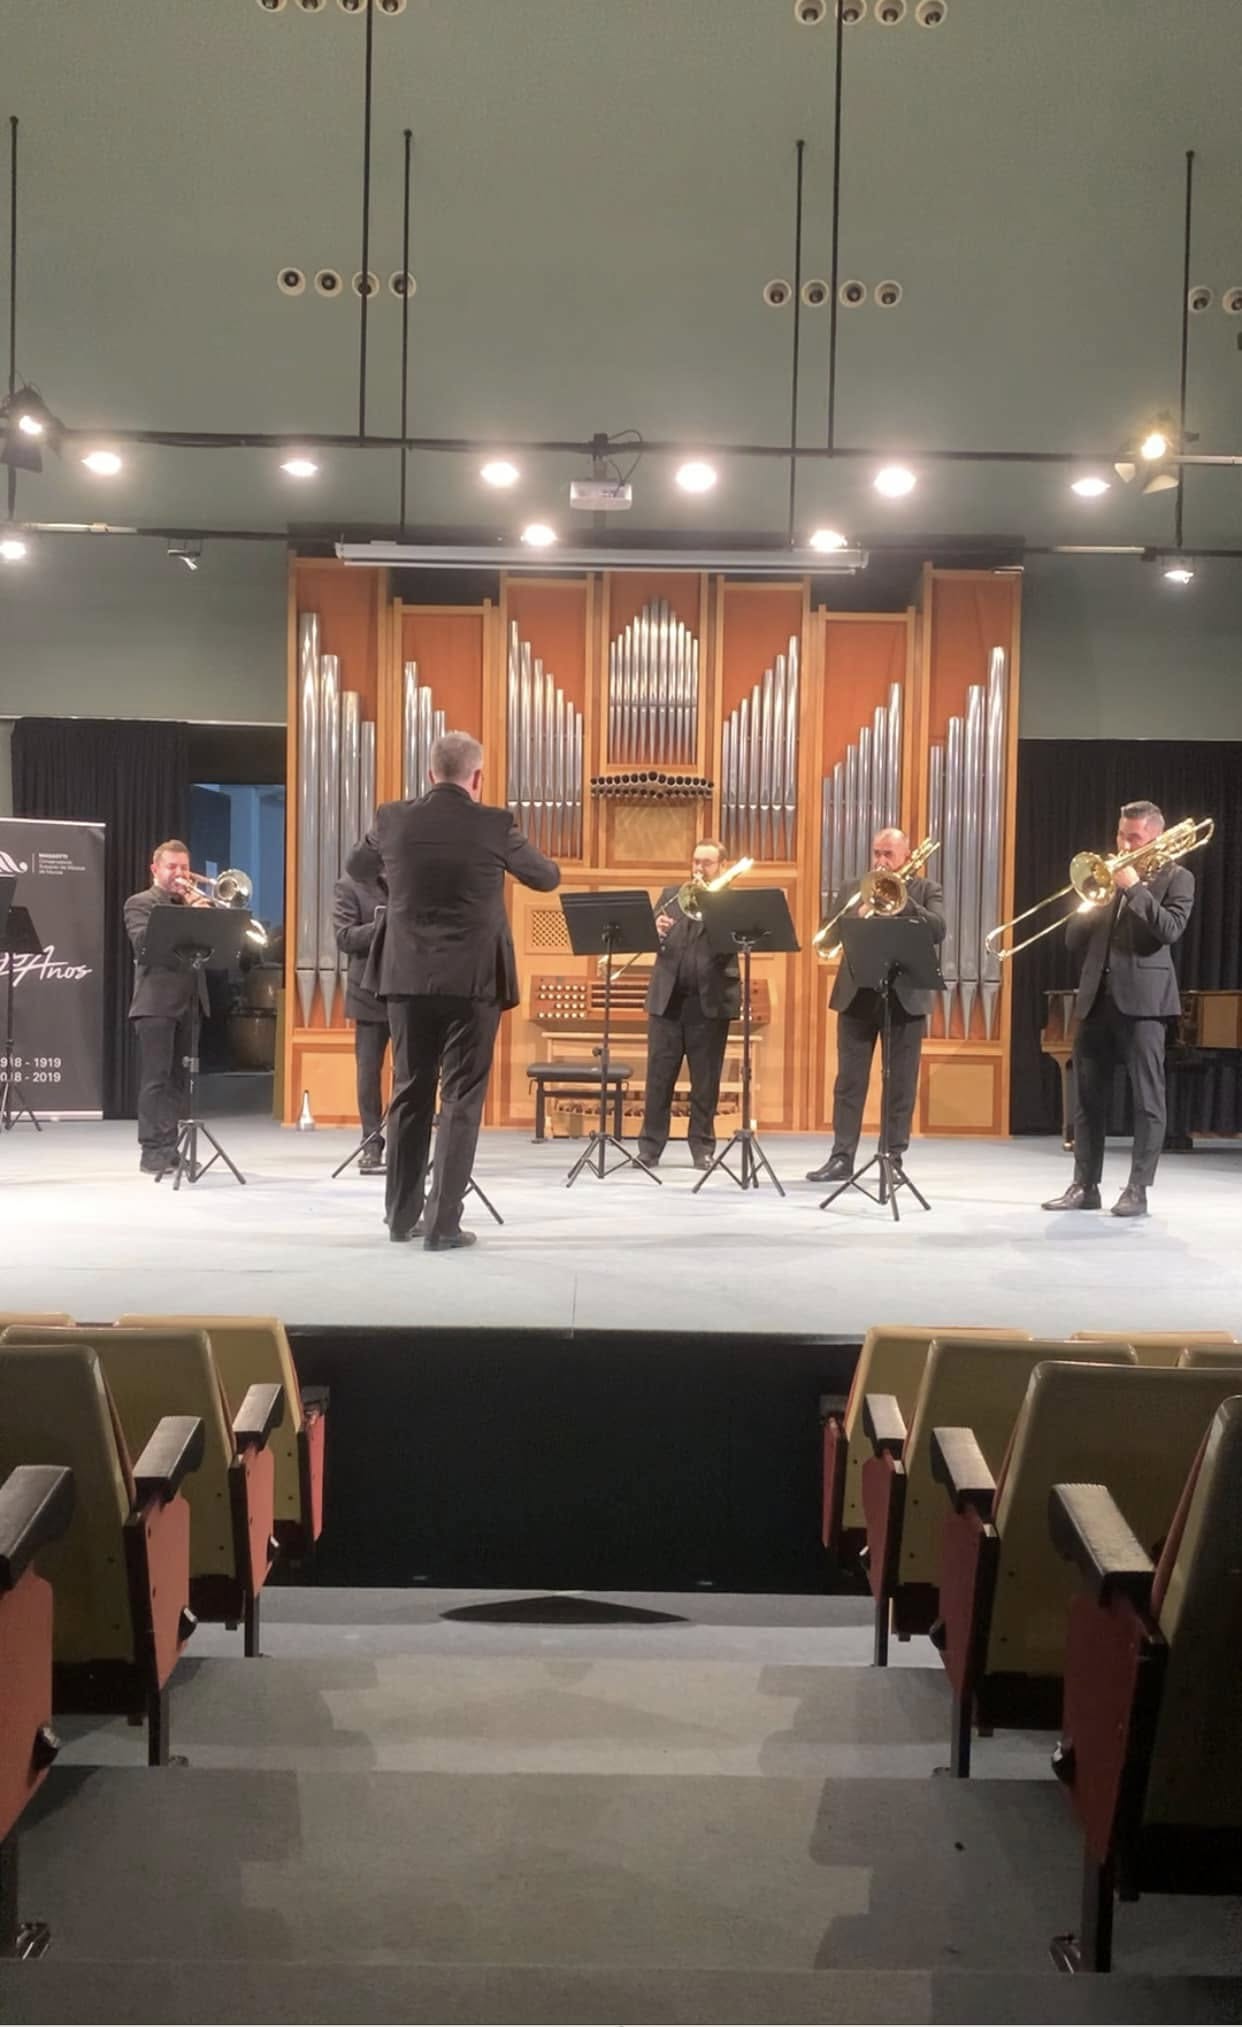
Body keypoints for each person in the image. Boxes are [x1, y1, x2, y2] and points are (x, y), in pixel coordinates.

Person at [346, 730, 560, 1250]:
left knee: (410, 1091)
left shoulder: (391, 818)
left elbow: (357, 868)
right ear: (477, 778)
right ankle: (443, 1225)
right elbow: (546, 877)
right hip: (473, 982)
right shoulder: (494, 823)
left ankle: (399, 1217)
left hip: (406, 977)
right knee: (461, 1098)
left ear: (429, 773)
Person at [1042, 800, 1194, 1219]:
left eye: (1134, 838)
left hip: (1144, 1004)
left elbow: (1168, 930)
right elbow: (1074, 940)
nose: (1124, 844)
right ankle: (1084, 1185)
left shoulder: (1178, 878)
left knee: (1148, 1101)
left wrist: (1134, 889)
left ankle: (1137, 1190)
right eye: (1120, 836)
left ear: (1156, 839)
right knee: (1087, 1100)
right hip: (1095, 1000)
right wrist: (1091, 896)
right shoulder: (1105, 880)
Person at [806, 826, 945, 1184]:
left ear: (906, 857)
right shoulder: (854, 889)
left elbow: (938, 930)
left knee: (899, 1085)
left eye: (889, 855)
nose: (881, 862)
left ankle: (892, 1158)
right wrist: (860, 911)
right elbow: (829, 934)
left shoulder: (926, 889)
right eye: (877, 854)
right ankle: (841, 1158)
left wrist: (902, 900)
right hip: (857, 996)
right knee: (848, 1083)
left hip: (905, 1000)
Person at [637, 840, 740, 1170]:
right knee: (658, 1079)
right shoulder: (671, 896)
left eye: (707, 863)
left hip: (708, 1003)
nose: (698, 868)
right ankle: (649, 1149)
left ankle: (702, 1148)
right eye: (695, 861)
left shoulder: (731, 902)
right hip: (668, 1001)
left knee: (705, 1081)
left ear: (722, 866)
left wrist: (716, 908)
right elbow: (648, 939)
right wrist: (656, 930)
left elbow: (732, 944)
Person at [123, 839, 211, 1178]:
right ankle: (151, 1151)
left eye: (184, 867)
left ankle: (172, 1147)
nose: (179, 874)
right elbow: (145, 943)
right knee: (155, 1080)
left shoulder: (193, 903)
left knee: (179, 1080)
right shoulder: (140, 903)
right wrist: (189, 914)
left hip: (189, 1000)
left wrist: (203, 914)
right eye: (172, 867)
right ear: (155, 869)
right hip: (155, 1002)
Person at [334, 865, 389, 1174]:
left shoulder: (406, 877)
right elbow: (344, 938)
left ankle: (410, 1141)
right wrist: (383, 925)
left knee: (413, 1072)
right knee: (368, 1072)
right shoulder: (349, 886)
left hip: (405, 988)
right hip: (367, 990)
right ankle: (371, 1142)